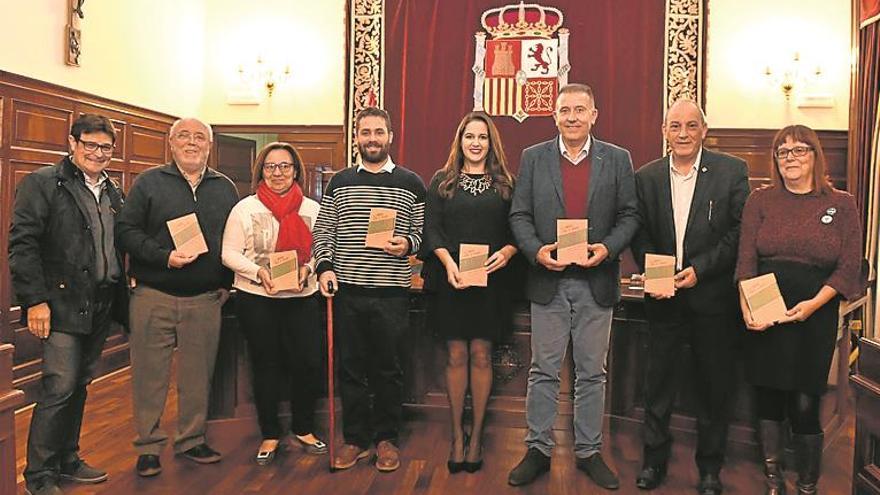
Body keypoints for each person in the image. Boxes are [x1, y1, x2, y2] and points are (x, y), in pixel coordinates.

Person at [507, 83, 639, 489]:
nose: (573, 117)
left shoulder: (617, 159)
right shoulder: (533, 158)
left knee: (592, 373)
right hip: (548, 280)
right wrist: (536, 252)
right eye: (565, 110)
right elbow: (519, 215)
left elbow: (630, 215)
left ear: (594, 115)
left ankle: (588, 451)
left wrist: (607, 248)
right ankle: (537, 449)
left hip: (596, 281)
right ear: (555, 115)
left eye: (580, 110)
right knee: (542, 370)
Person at [735, 124, 863, 495]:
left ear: (815, 155)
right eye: (783, 151)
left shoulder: (842, 204)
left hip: (814, 315)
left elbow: (847, 268)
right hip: (766, 312)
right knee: (768, 398)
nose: (790, 157)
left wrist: (813, 305)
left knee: (806, 403)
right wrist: (747, 307)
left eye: (799, 150)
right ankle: (773, 480)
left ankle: (808, 485)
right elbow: (746, 261)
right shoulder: (760, 200)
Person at [631, 99, 750, 495]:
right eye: (675, 126)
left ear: (704, 129)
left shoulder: (732, 171)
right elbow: (639, 231)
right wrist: (656, 269)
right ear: (664, 129)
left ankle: (711, 468)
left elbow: (738, 232)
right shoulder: (645, 177)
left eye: (691, 126)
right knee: (658, 384)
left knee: (713, 386)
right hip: (663, 297)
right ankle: (654, 462)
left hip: (712, 299)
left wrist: (700, 269)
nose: (683, 133)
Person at [115, 117, 239, 477]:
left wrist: (226, 283)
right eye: (183, 135)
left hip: (204, 299)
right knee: (149, 376)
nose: (191, 142)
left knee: (197, 376)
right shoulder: (148, 183)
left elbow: (233, 239)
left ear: (209, 146)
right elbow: (125, 231)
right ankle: (149, 446)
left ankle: (191, 440)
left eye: (199, 137)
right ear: (170, 143)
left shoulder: (225, 187)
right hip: (154, 295)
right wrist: (162, 256)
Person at [10, 114, 125, 495]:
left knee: (81, 384)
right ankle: (39, 475)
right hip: (59, 304)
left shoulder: (113, 191)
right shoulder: (43, 184)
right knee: (59, 386)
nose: (97, 153)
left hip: (100, 303)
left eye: (105, 147)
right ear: (72, 143)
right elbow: (23, 245)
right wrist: (35, 301)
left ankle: (68, 459)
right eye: (89, 144)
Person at [312, 107, 426, 472]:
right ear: (356, 138)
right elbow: (323, 231)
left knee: (388, 369)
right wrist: (325, 267)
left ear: (390, 136)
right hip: (348, 291)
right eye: (365, 132)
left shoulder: (412, 183)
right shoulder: (339, 182)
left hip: (392, 292)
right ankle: (355, 439)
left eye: (379, 132)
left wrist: (407, 243)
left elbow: (423, 235)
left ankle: (386, 439)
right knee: (351, 369)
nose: (372, 138)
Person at [421, 112, 518, 474]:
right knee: (456, 354)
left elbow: (517, 231)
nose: (475, 143)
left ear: (491, 143)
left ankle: (476, 436)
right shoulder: (442, 181)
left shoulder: (506, 183)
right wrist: (448, 265)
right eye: (469, 136)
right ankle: (456, 436)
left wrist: (507, 253)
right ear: (459, 141)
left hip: (491, 284)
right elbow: (432, 230)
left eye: (482, 137)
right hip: (453, 280)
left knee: (481, 354)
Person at [221, 142, 326, 465]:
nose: (277, 173)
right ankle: (269, 432)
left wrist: (309, 268)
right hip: (258, 298)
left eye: (284, 166)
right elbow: (229, 254)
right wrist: (258, 272)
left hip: (302, 298)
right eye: (270, 167)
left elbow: (322, 250)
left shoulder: (312, 209)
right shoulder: (244, 209)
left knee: (306, 363)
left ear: (296, 171)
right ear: (261, 171)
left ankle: (304, 427)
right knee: (266, 365)